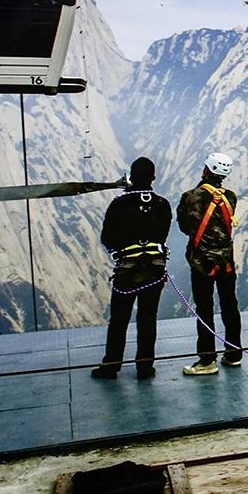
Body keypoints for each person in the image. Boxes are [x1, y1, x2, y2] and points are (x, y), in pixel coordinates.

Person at [91, 157, 171, 380]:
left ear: (131, 177)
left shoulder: (119, 204)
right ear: (153, 177)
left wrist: (121, 247)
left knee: (119, 320)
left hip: (127, 270)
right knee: (148, 318)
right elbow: (163, 234)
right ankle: (145, 367)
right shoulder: (163, 204)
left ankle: (111, 366)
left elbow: (107, 237)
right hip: (155, 269)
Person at [178, 152, 241, 375]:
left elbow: (184, 227)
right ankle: (234, 354)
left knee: (204, 309)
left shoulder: (191, 197)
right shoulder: (231, 197)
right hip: (226, 262)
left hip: (202, 263)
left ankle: (207, 360)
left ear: (206, 169)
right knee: (230, 305)